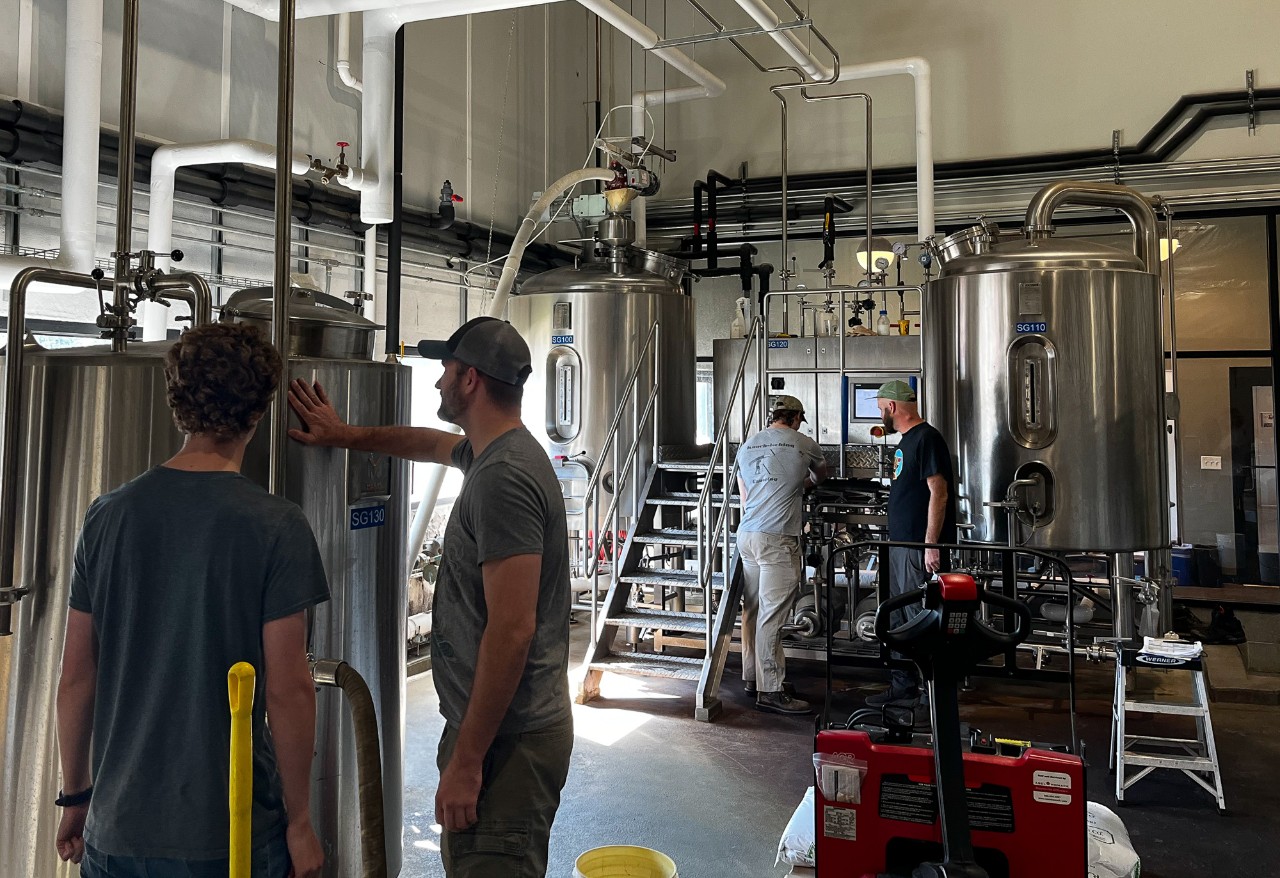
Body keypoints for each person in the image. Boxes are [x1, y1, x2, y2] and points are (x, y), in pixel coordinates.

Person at [286, 315, 573, 878]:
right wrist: (346, 435)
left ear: (471, 380)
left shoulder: (503, 479)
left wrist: (467, 760)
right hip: (494, 729)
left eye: (446, 370)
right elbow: (429, 443)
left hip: (508, 742)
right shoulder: (492, 453)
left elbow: (513, 630)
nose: (438, 381)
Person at [55, 322, 330, 878]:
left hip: (116, 833)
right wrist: (300, 821)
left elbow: (77, 677)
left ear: (177, 404)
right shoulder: (277, 525)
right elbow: (289, 688)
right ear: (260, 412)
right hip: (230, 838)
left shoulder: (106, 516)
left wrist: (76, 795)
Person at [735, 394, 828, 715]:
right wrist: (801, 484)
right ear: (796, 417)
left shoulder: (747, 446)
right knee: (772, 616)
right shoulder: (804, 443)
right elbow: (819, 476)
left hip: (748, 535)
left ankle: (754, 678)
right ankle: (771, 690)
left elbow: (745, 495)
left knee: (752, 611)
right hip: (777, 538)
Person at [868, 379, 957, 707]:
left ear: (892, 407)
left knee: (917, 616)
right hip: (902, 544)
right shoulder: (907, 441)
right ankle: (904, 685)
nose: (880, 415)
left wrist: (930, 545)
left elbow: (939, 492)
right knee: (898, 615)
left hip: (916, 547)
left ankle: (927, 697)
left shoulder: (926, 438)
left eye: (881, 409)